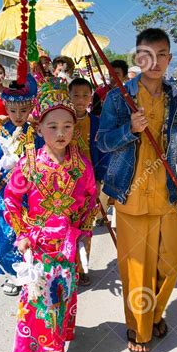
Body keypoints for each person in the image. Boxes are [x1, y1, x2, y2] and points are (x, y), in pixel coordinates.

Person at [97, 28, 177, 352]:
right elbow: (102, 142)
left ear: (169, 59)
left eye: (162, 55)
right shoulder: (118, 98)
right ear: (138, 59)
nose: (155, 61)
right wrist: (129, 130)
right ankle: (139, 329)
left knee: (173, 257)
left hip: (165, 195)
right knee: (136, 267)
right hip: (130, 198)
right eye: (148, 55)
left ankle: (156, 312)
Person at [4, 77, 97, 352]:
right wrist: (22, 234)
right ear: (39, 127)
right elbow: (11, 201)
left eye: (68, 126)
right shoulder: (28, 165)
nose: (61, 133)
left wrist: (84, 232)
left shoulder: (81, 165)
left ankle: (55, 349)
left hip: (67, 249)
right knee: (41, 305)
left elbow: (89, 199)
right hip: (39, 250)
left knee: (61, 301)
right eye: (53, 126)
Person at [0, 75, 42, 295]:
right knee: (7, 237)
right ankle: (14, 276)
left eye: (23, 111)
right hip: (3, 196)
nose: (18, 116)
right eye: (13, 111)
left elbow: (44, 161)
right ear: (6, 106)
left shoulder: (37, 136)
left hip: (29, 196)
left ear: (30, 108)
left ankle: (32, 273)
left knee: (28, 235)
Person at [68, 77, 108, 285]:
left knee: (86, 225)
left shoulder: (97, 124)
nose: (80, 100)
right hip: (65, 184)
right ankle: (68, 266)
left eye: (85, 95)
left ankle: (83, 268)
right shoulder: (63, 121)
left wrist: (100, 178)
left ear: (91, 97)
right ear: (68, 96)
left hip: (89, 183)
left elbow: (103, 153)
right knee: (67, 226)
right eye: (76, 95)